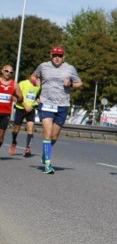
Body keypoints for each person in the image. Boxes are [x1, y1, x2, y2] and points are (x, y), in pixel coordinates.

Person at [31, 46, 82, 174]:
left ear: (63, 57)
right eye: (55, 55)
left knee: (54, 136)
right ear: (51, 56)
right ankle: (48, 164)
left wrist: (70, 84)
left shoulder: (70, 68)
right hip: (46, 103)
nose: (57, 58)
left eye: (59, 56)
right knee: (47, 133)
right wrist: (35, 81)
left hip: (62, 105)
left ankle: (45, 154)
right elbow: (33, 76)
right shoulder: (43, 66)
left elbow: (79, 83)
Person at [10, 73, 40, 157]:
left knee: (30, 127)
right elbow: (17, 96)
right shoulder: (23, 83)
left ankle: (28, 148)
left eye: (37, 77)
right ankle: (14, 141)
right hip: (20, 108)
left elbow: (36, 96)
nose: (36, 78)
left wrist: (38, 100)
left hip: (31, 109)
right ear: (30, 76)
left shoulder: (38, 86)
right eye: (34, 76)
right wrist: (25, 105)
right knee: (16, 129)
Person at [0, 64, 20, 155]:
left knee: (1, 136)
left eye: (11, 72)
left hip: (6, 113)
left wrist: (16, 98)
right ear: (2, 71)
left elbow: (20, 97)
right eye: (6, 71)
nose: (8, 73)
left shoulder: (14, 84)